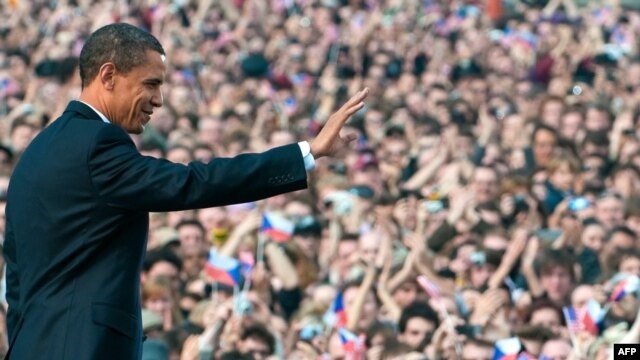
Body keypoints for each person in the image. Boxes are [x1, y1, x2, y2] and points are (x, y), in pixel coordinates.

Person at [3, 23, 368, 360]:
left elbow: (17, 278)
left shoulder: (37, 152)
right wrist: (306, 153)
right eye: (150, 84)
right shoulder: (97, 142)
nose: (159, 100)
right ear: (109, 75)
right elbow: (192, 182)